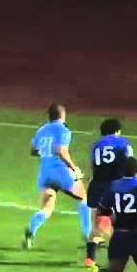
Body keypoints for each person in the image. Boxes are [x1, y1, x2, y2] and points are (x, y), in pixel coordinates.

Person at [24, 102, 90, 249]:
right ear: (62, 115)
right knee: (83, 197)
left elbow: (32, 151)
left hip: (44, 173)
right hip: (60, 172)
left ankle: (31, 230)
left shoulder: (41, 130)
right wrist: (75, 169)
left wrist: (45, 153)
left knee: (46, 209)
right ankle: (88, 235)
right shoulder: (63, 130)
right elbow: (61, 151)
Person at [84, 118, 134, 267]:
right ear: (117, 131)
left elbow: (94, 166)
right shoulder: (123, 144)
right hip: (115, 187)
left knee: (95, 226)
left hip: (96, 186)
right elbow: (130, 164)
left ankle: (90, 259)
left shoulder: (96, 146)